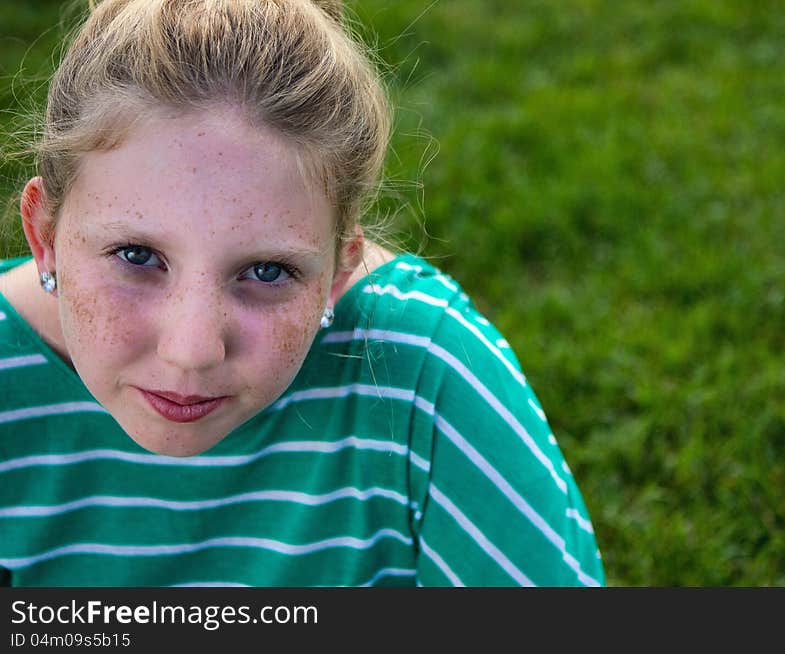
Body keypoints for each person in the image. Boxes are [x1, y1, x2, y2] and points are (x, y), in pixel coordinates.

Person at [0, 0, 604, 586]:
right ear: (45, 236)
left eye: (266, 272)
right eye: (137, 257)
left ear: (340, 270)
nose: (192, 350)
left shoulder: (425, 374)